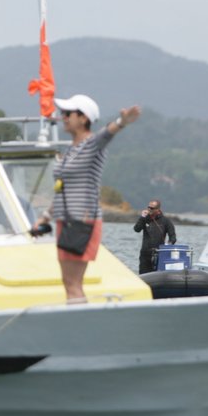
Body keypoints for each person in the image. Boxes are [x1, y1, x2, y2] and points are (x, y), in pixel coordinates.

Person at [32, 94, 140, 303]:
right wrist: (46, 217)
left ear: (83, 119)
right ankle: (76, 322)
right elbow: (64, 190)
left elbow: (105, 135)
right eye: (62, 113)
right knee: (68, 282)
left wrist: (121, 122)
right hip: (66, 221)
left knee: (73, 283)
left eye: (67, 113)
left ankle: (78, 327)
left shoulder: (91, 144)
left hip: (83, 221)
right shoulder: (71, 150)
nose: (63, 117)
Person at [133, 199, 177, 274]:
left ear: (158, 209)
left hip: (159, 253)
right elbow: (137, 229)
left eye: (152, 208)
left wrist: (168, 244)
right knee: (143, 274)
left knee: (157, 274)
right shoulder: (145, 219)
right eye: (148, 207)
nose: (149, 209)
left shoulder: (165, 221)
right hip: (145, 253)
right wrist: (142, 217)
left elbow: (173, 237)